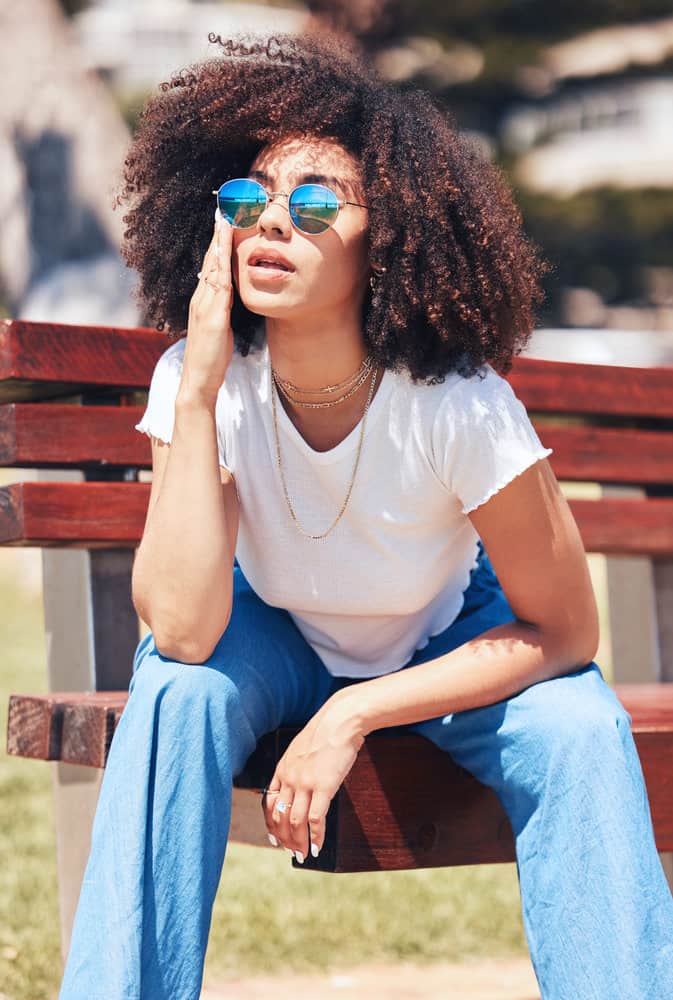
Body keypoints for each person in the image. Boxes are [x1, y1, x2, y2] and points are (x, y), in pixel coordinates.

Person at [59, 29, 673, 1000]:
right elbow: (181, 629)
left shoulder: (455, 401)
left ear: (384, 239)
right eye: (246, 200)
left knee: (581, 729)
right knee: (177, 693)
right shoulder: (200, 380)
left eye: (313, 205)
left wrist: (356, 708)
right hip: (271, 634)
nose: (271, 225)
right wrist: (196, 388)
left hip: (445, 635)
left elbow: (564, 629)